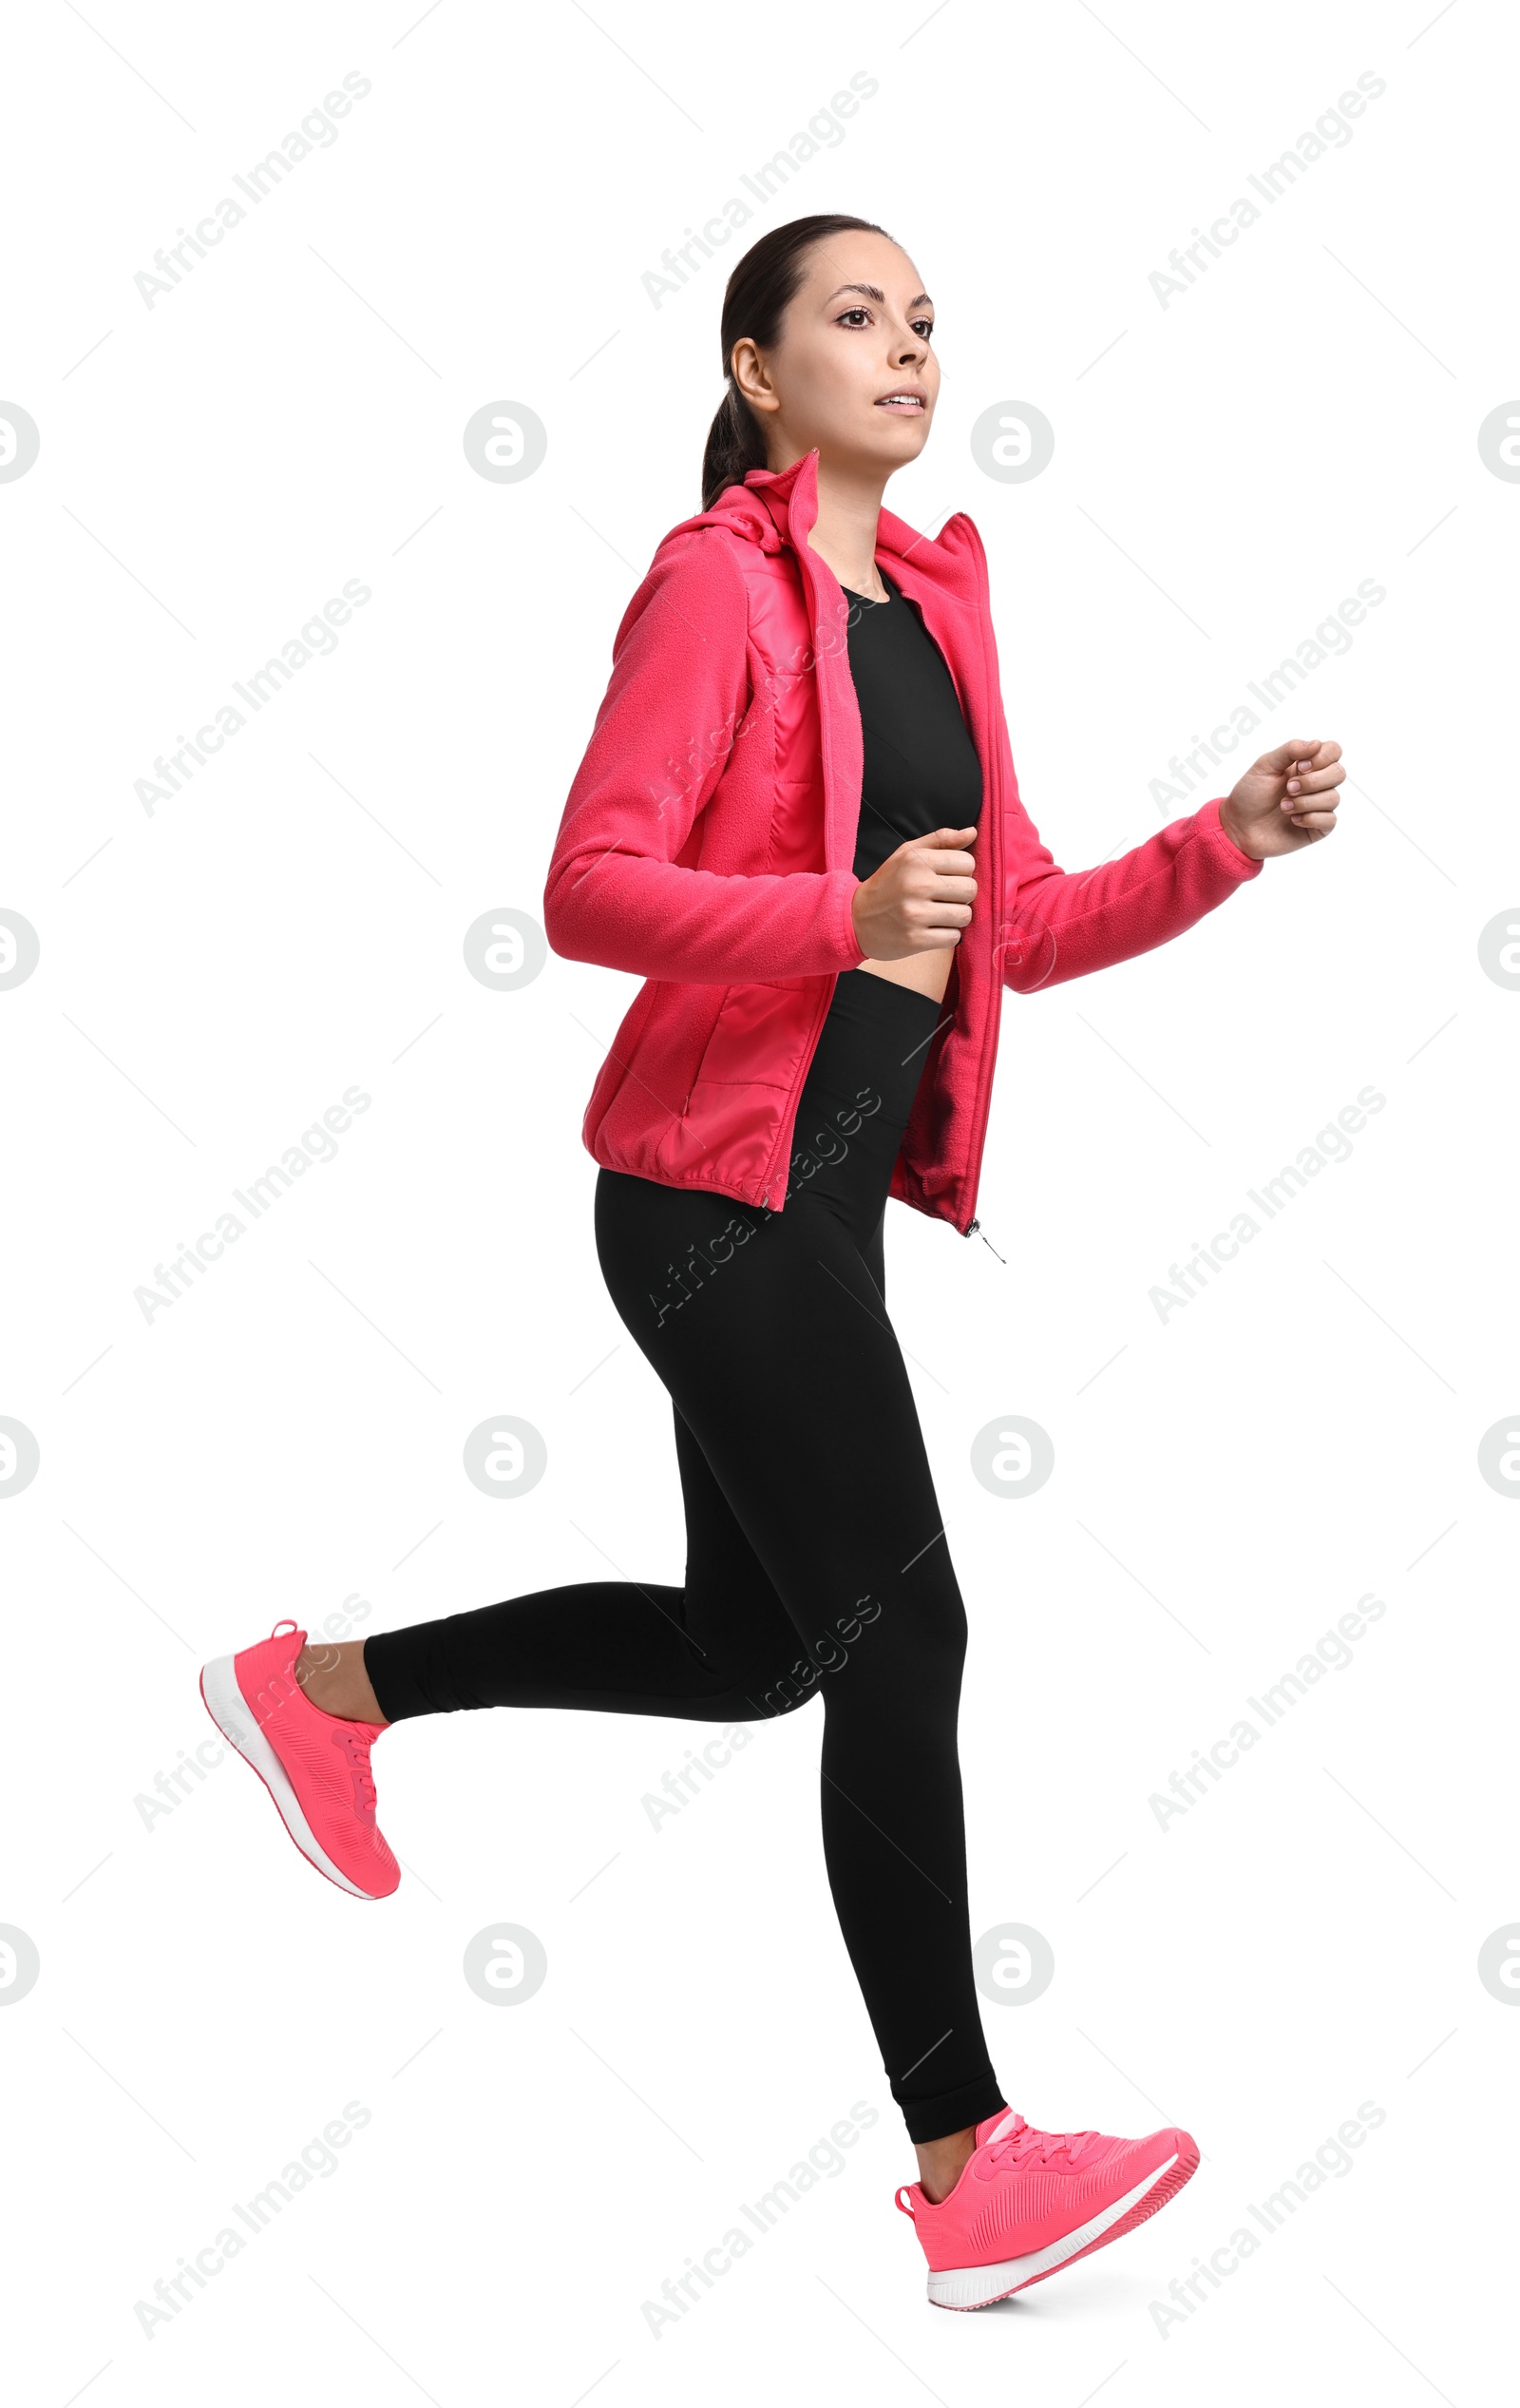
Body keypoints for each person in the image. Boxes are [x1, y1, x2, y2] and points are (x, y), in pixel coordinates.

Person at [200, 213, 1344, 2311]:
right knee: (902, 1633)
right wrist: (834, 914)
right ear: (752, 368)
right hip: (700, 1198)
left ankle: (321, 1689)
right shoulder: (709, 587)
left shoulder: (931, 603)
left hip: (814, 1208)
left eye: (923, 322)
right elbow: (588, 884)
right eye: (852, 316)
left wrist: (1222, 844)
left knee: (763, 1650)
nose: (904, 347)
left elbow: (999, 922)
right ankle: (963, 2161)